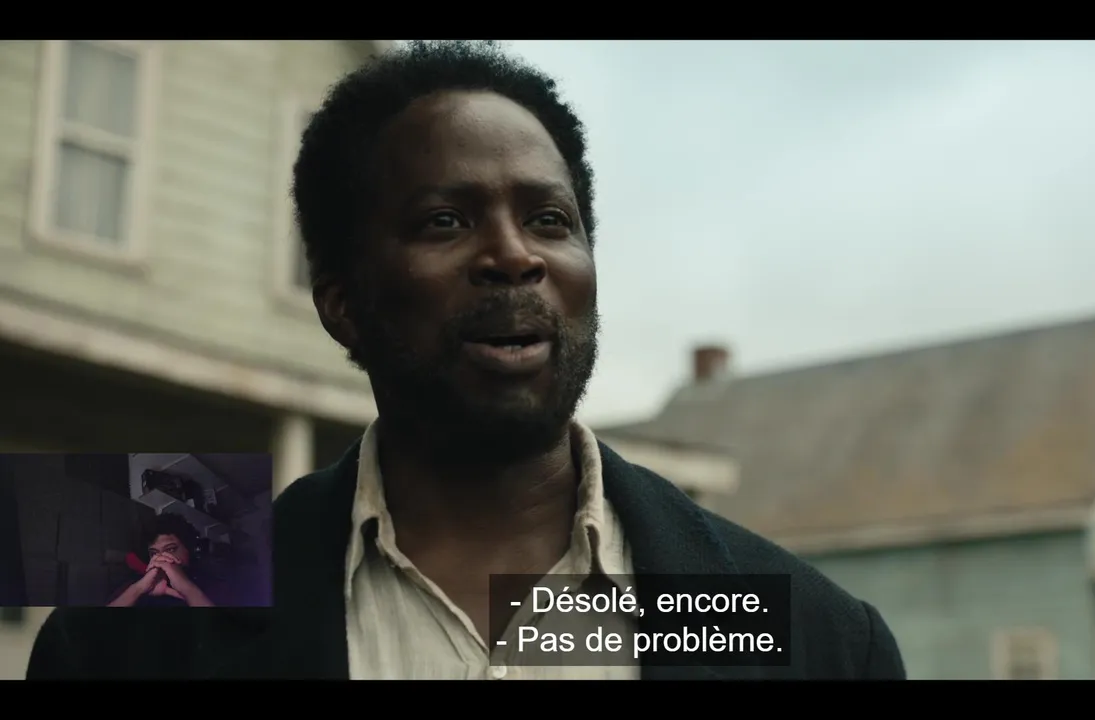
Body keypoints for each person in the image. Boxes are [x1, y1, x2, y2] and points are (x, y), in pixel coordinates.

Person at [27, 40, 905, 679]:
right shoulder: (134, 632)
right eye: (445, 221)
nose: (515, 255)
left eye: (549, 220)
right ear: (342, 303)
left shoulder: (807, 637)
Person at [107, 514, 216, 608]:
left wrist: (187, 588)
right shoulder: (137, 584)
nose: (161, 558)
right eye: (154, 553)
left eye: (170, 549)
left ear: (188, 549)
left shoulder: (211, 582)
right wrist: (138, 589)